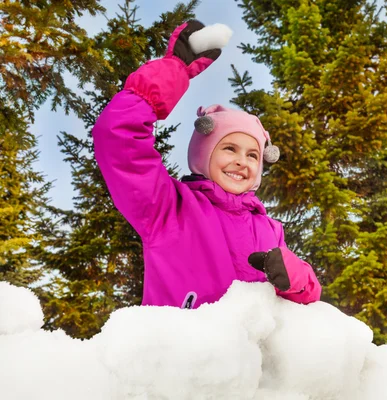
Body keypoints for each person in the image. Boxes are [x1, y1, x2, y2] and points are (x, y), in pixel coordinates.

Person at [92, 20, 321, 309]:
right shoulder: (167, 207)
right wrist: (174, 68)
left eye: (253, 155)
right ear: (203, 154)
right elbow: (118, 136)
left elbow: (310, 298)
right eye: (229, 148)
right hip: (180, 350)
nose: (242, 161)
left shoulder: (268, 228)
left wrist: (297, 278)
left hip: (251, 355)